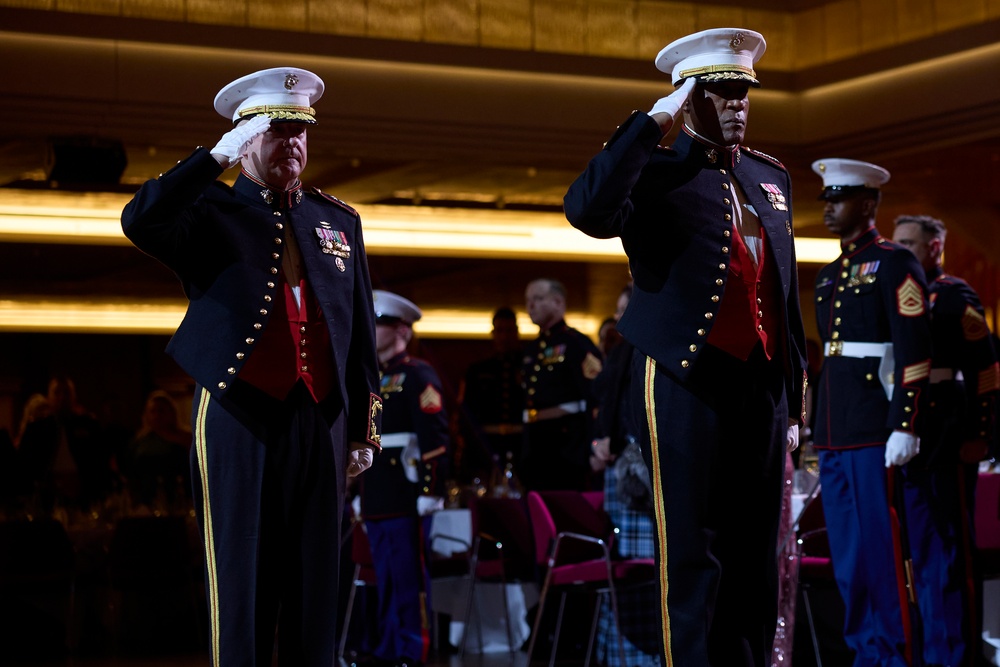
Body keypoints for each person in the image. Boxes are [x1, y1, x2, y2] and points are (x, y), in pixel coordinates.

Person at [120, 66, 383, 666]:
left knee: (318, 577)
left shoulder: (336, 221)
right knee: (242, 576)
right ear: (245, 142)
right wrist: (211, 159)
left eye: (300, 132)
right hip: (240, 410)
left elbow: (359, 333)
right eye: (275, 132)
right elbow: (141, 221)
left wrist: (362, 429)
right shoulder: (207, 209)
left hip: (320, 416)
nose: (292, 143)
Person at [564, 28, 808, 667]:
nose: (736, 106)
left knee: (756, 550)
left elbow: (784, 296)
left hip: (760, 386)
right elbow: (586, 209)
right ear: (689, 98)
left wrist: (794, 401)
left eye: (743, 94)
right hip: (682, 376)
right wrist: (653, 122)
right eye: (719, 93)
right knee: (693, 555)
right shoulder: (653, 171)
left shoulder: (769, 177)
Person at [810, 158, 933, 666]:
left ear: (867, 203)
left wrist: (904, 423)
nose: (829, 209)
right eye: (827, 200)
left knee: (880, 557)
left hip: (873, 428)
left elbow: (913, 348)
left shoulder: (895, 262)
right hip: (836, 429)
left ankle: (893, 655)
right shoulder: (828, 273)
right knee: (848, 561)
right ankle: (865, 653)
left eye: (838, 199)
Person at [892, 214, 999, 667]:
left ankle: (955, 657)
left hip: (946, 439)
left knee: (947, 556)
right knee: (914, 559)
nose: (899, 252)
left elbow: (987, 372)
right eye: (895, 243)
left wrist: (981, 435)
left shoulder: (954, 295)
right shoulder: (898, 293)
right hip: (907, 439)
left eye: (909, 244)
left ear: (935, 248)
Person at [358, 289, 451, 667]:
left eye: (379, 323)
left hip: (407, 490)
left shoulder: (417, 374)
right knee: (385, 576)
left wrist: (431, 489)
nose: (372, 329)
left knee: (409, 577)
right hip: (377, 490)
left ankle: (413, 648)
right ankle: (387, 648)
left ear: (401, 331)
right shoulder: (368, 376)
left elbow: (435, 437)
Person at [520, 278, 603, 491]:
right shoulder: (532, 349)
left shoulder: (575, 344)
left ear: (558, 302)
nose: (530, 306)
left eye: (538, 299)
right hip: (535, 446)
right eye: (528, 300)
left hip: (567, 447)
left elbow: (596, 396)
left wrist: (593, 445)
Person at [17, 376, 114, 515]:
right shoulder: (37, 429)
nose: (62, 397)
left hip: (84, 494)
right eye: (57, 393)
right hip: (46, 496)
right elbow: (25, 465)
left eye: (66, 393)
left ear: (73, 397)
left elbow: (100, 460)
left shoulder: (89, 426)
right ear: (48, 397)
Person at [455, 306, 524, 487]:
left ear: (517, 332)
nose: (504, 336)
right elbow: (466, 413)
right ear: (493, 333)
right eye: (500, 331)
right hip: (487, 445)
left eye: (509, 331)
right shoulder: (478, 371)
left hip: (521, 445)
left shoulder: (528, 366)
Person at [118, 390, 192, 512]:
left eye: (161, 410)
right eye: (153, 411)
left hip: (178, 499)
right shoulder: (139, 441)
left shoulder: (186, 438)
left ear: (171, 412)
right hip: (145, 503)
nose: (157, 415)